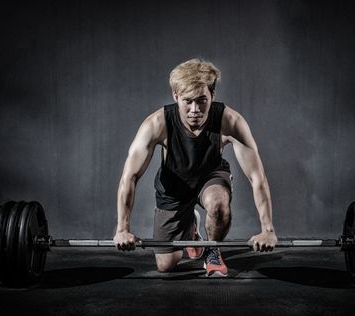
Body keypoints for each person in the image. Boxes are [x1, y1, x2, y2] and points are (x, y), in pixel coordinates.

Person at [113, 58, 277, 277]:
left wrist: (267, 230)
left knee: (218, 205)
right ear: (176, 96)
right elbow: (129, 177)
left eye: (202, 100)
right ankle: (192, 228)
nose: (195, 110)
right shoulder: (156, 124)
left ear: (212, 96)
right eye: (187, 101)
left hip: (210, 178)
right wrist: (122, 229)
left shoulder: (230, 121)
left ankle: (212, 249)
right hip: (173, 190)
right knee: (165, 265)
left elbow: (258, 178)